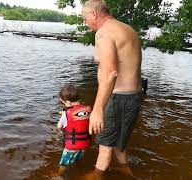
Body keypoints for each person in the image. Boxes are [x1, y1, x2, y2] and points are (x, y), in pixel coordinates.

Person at [81, 0, 142, 177]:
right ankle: (127, 173)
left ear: (94, 14)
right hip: (134, 96)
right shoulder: (128, 29)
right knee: (120, 146)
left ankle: (95, 176)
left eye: (85, 18)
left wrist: (98, 109)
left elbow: (110, 73)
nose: (86, 22)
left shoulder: (104, 33)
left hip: (117, 98)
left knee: (105, 149)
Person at [56, 85, 92, 176]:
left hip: (71, 146)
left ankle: (59, 174)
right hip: (84, 144)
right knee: (77, 159)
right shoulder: (88, 110)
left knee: (63, 164)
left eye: (63, 102)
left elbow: (59, 126)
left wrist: (60, 131)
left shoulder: (66, 114)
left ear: (68, 102)